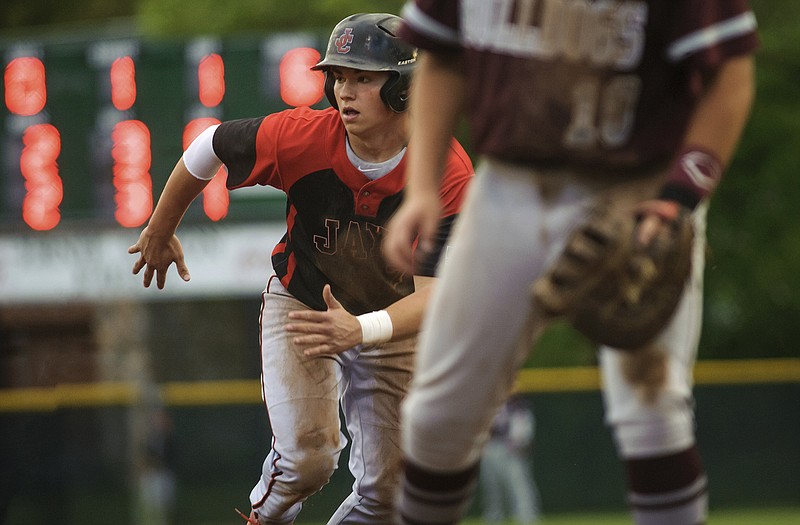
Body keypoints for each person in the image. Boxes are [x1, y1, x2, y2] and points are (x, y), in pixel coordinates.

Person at [383, 2, 758, 524]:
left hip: (634, 188)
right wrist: (422, 187)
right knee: (436, 418)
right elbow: (442, 61)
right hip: (508, 189)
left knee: (653, 410)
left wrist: (682, 192)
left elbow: (730, 71)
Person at [128, 12, 474, 525]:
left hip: (391, 321)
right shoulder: (304, 136)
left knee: (392, 492)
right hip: (304, 303)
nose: (344, 90)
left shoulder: (444, 169)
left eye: (363, 77)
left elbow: (437, 294)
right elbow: (210, 145)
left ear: (403, 88)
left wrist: (361, 328)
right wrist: (160, 227)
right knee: (308, 460)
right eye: (337, 76)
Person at [479, 396, 540, 525]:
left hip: (512, 450)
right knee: (492, 489)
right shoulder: (487, 403)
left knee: (520, 488)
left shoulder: (518, 405)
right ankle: (493, 519)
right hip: (490, 447)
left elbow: (524, 429)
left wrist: (521, 444)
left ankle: (527, 519)